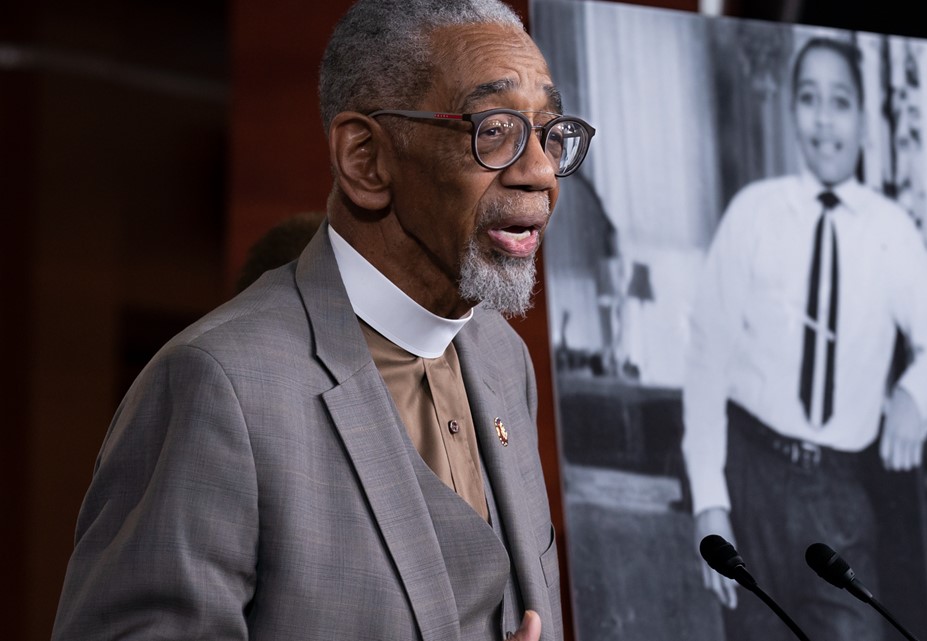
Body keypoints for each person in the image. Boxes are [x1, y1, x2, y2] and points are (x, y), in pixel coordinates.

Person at [51, 1, 595, 639]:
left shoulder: (504, 357)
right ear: (366, 160)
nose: (539, 173)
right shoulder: (217, 385)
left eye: (551, 132)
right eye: (495, 128)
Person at [681, 36, 927, 640]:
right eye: (809, 99)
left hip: (840, 497)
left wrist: (914, 395)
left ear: (863, 117)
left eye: (839, 101)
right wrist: (711, 501)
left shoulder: (892, 233)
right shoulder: (753, 215)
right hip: (750, 478)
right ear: (792, 113)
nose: (823, 119)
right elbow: (706, 364)